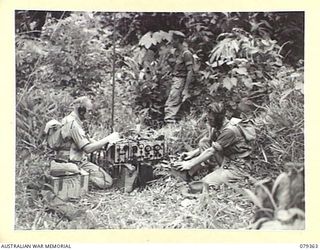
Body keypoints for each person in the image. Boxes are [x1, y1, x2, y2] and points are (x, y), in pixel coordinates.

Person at [172, 102, 256, 190]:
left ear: (219, 119)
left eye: (210, 120)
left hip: (238, 166)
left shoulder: (229, 131)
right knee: (204, 142)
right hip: (226, 159)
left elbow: (211, 151)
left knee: (205, 184)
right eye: (208, 118)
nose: (208, 121)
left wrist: (190, 164)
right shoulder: (217, 126)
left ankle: (233, 175)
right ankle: (213, 168)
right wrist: (192, 153)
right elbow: (210, 144)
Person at [55, 96, 120, 189]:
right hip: (73, 162)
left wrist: (106, 143)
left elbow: (88, 139)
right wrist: (109, 138)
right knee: (107, 182)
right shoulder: (73, 124)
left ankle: (80, 177)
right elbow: (88, 149)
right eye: (88, 111)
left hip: (73, 160)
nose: (90, 114)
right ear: (81, 110)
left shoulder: (71, 120)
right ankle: (79, 178)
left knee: (105, 175)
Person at [164, 31, 194, 124]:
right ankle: (174, 126)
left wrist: (186, 89)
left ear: (177, 40)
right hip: (175, 80)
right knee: (175, 103)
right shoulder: (176, 52)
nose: (171, 42)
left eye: (173, 40)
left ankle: (168, 128)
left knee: (171, 105)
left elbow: (190, 71)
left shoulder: (186, 54)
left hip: (180, 81)